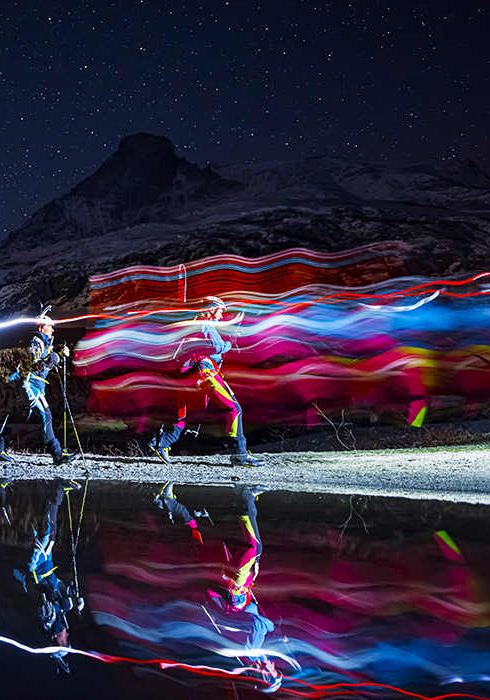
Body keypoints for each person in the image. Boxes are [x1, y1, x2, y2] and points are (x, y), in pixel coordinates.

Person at [157, 482, 282, 691]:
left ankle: (246, 497)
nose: (274, 665)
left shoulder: (249, 652)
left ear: (264, 673)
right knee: (201, 540)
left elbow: (256, 623)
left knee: (254, 548)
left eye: (274, 671)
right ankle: (169, 502)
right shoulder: (252, 652)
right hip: (231, 592)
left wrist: (271, 627)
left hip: (230, 590)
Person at [149, 296, 265, 467]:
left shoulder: (192, 323)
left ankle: (162, 443)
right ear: (211, 309)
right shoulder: (205, 324)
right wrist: (229, 343)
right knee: (234, 409)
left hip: (188, 376)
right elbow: (216, 346)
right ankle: (240, 454)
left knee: (186, 416)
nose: (221, 315)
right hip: (204, 373)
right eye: (220, 311)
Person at [12, 480, 85, 673]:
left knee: (49, 533)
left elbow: (43, 595)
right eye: (68, 640)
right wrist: (72, 595)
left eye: (64, 641)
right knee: (47, 531)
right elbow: (59, 588)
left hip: (38, 567)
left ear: (54, 639)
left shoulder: (47, 618)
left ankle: (58, 489)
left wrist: (62, 600)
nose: (66, 635)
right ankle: (55, 494)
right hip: (47, 565)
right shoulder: (62, 614)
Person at [0, 306, 80, 465]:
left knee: (20, 417)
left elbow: (45, 362)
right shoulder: (35, 342)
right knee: (46, 415)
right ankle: (57, 454)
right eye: (49, 327)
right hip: (30, 385)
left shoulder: (42, 343)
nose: (52, 330)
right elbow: (34, 364)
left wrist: (58, 356)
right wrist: (52, 359)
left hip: (35, 386)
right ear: (41, 328)